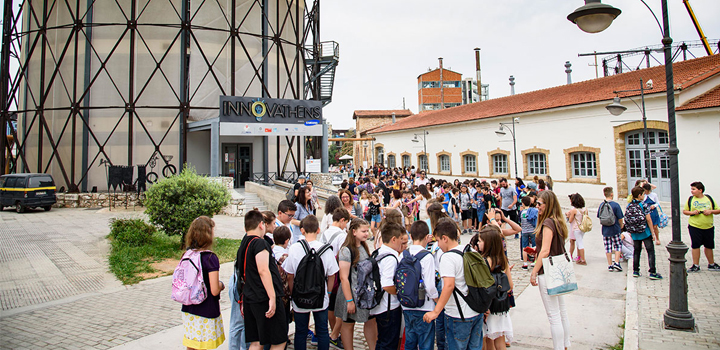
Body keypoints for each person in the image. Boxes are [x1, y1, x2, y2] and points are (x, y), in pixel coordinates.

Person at [423, 218, 483, 350]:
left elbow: (449, 286)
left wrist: (436, 311)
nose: (437, 245)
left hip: (458, 314)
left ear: (445, 238)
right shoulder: (470, 251)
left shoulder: (448, 257)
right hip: (476, 312)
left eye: (438, 240)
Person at [283, 215, 339, 350]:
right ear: (318, 230)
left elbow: (290, 275)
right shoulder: (326, 249)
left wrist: (292, 293)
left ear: (302, 230)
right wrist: (329, 292)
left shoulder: (294, 248)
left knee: (301, 331)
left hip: (300, 295)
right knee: (322, 331)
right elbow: (332, 275)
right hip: (320, 296)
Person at [237, 210, 288, 350]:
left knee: (256, 341)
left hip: (250, 296)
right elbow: (263, 270)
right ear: (261, 225)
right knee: (279, 340)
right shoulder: (259, 243)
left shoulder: (244, 243)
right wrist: (272, 298)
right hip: (263, 297)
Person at [529, 191, 570, 350]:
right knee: (561, 311)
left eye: (539, 204)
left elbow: (545, 251)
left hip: (547, 271)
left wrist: (534, 272)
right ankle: (565, 345)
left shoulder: (547, 223)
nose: (537, 206)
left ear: (548, 205)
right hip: (558, 269)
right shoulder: (557, 221)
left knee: (554, 316)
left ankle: (559, 347)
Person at [181, 216, 226, 350]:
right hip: (206, 309)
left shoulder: (187, 254)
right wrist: (221, 285)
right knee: (204, 346)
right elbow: (214, 289)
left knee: (192, 345)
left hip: (189, 307)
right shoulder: (210, 258)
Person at [335, 218, 377, 350]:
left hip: (364, 293)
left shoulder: (363, 246)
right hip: (350, 293)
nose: (366, 234)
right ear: (354, 232)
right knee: (348, 323)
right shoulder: (346, 251)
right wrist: (349, 300)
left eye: (367, 231)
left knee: (370, 320)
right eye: (363, 231)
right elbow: (344, 277)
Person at [477, 225, 514, 350]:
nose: (478, 243)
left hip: (489, 306)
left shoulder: (484, 261)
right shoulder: (502, 259)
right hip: (500, 306)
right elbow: (510, 286)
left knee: (487, 340)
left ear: (488, 244)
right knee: (499, 340)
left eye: (480, 241)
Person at [403, 221, 438, 350]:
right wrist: (436, 299)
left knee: (410, 340)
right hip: (424, 306)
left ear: (410, 236)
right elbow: (429, 285)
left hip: (406, 305)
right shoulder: (427, 256)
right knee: (426, 342)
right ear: (426, 237)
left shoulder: (404, 254)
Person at [371, 222, 405, 350]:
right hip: (389, 307)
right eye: (401, 239)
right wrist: (400, 292)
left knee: (382, 341)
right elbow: (386, 285)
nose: (402, 243)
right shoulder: (391, 257)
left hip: (380, 306)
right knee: (389, 343)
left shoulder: (378, 252)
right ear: (393, 239)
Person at [626, 187, 662, 280]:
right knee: (650, 251)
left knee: (636, 251)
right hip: (644, 231)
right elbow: (648, 219)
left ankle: (636, 270)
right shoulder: (644, 205)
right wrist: (652, 232)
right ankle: (652, 272)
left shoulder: (629, 205)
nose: (644, 196)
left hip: (634, 232)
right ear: (639, 195)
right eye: (643, 194)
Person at [683, 181, 720, 272]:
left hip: (708, 227)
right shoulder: (690, 199)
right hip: (695, 226)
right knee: (695, 246)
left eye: (694, 189)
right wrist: (692, 213)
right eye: (691, 189)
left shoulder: (709, 198)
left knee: (709, 246)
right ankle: (695, 265)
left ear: (700, 190)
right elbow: (685, 211)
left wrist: (710, 211)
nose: (692, 191)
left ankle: (711, 264)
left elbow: (718, 210)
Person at [599, 187, 625, 272]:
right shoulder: (615, 205)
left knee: (608, 247)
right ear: (611, 194)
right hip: (615, 228)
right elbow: (620, 218)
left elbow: (599, 216)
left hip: (605, 230)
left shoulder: (601, 205)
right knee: (617, 245)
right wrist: (621, 226)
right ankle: (616, 262)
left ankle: (610, 264)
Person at [565, 193, 588, 265]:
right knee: (579, 242)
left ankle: (583, 259)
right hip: (582, 228)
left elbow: (570, 220)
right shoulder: (585, 209)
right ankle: (580, 257)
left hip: (576, 228)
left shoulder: (574, 210)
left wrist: (568, 216)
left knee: (580, 243)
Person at [520, 196, 538, 270]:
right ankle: (535, 261)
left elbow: (520, 222)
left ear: (523, 204)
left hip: (524, 231)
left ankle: (525, 263)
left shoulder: (522, 212)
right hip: (532, 230)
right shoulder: (533, 211)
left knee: (524, 247)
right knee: (535, 246)